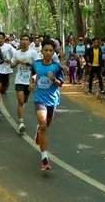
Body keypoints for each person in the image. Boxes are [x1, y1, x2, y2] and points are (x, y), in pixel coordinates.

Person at [30, 39, 64, 171]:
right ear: (42, 51)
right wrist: (31, 82)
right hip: (40, 99)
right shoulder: (36, 64)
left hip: (53, 99)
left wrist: (53, 79)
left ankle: (39, 130)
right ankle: (44, 159)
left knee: (46, 125)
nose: (48, 53)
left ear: (54, 51)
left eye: (51, 50)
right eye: (46, 50)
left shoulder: (57, 66)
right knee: (44, 125)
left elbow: (61, 84)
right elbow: (32, 74)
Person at [11, 34, 37, 133]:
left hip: (29, 80)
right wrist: (17, 63)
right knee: (20, 101)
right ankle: (21, 122)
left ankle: (22, 108)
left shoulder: (33, 53)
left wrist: (30, 64)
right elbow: (11, 65)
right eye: (23, 40)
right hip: (19, 80)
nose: (24, 41)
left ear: (29, 42)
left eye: (26, 40)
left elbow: (38, 65)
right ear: (20, 41)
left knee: (25, 100)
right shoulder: (17, 53)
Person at [0, 31, 15, 117]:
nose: (0, 40)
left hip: (7, 70)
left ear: (4, 39)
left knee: (4, 87)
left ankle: (4, 91)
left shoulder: (9, 47)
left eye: (1, 38)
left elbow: (15, 55)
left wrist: (10, 61)